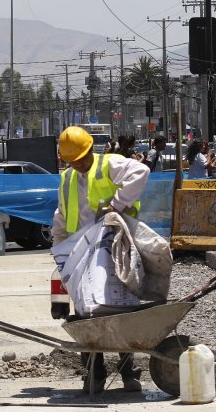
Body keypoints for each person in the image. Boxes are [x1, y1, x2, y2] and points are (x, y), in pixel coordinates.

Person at [52, 126, 149, 394]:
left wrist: (116, 204)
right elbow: (61, 215)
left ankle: (129, 371)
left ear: (90, 149)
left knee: (122, 309)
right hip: (82, 255)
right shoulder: (67, 179)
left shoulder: (109, 164)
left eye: (82, 157)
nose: (79, 164)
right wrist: (58, 250)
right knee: (86, 316)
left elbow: (141, 172)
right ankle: (94, 373)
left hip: (114, 248)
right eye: (74, 160)